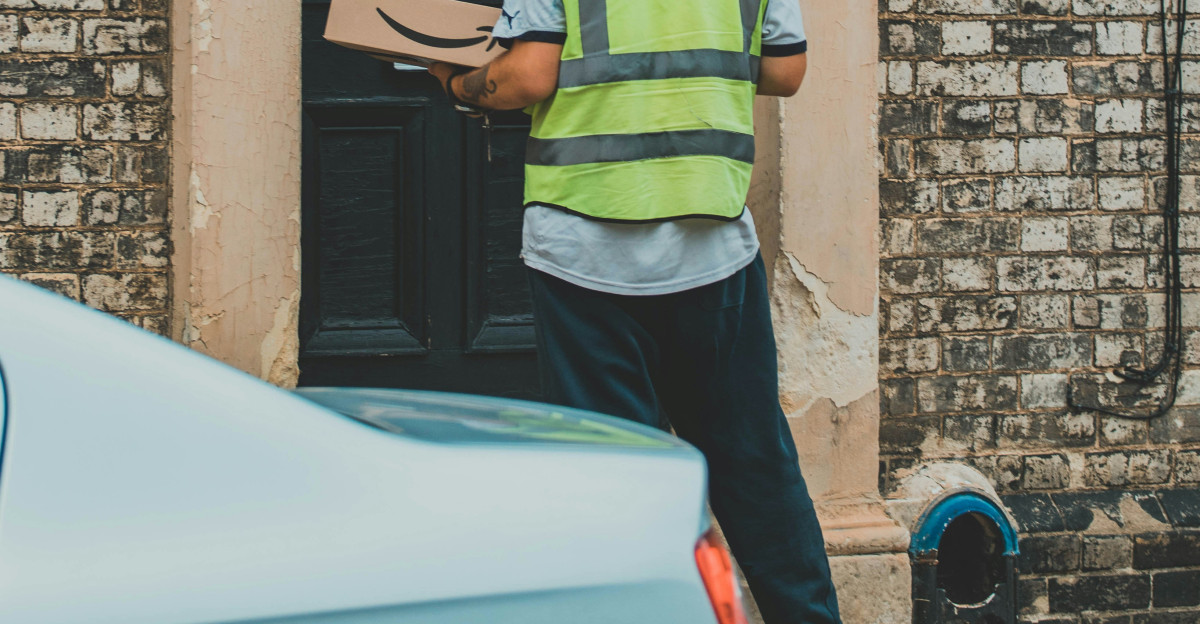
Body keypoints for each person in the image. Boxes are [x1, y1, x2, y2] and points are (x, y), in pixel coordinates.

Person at [429, 1, 840, 622]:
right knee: (755, 469)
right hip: (712, 243)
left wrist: (457, 85)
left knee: (617, 478)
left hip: (585, 248)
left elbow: (529, 76)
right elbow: (786, 71)